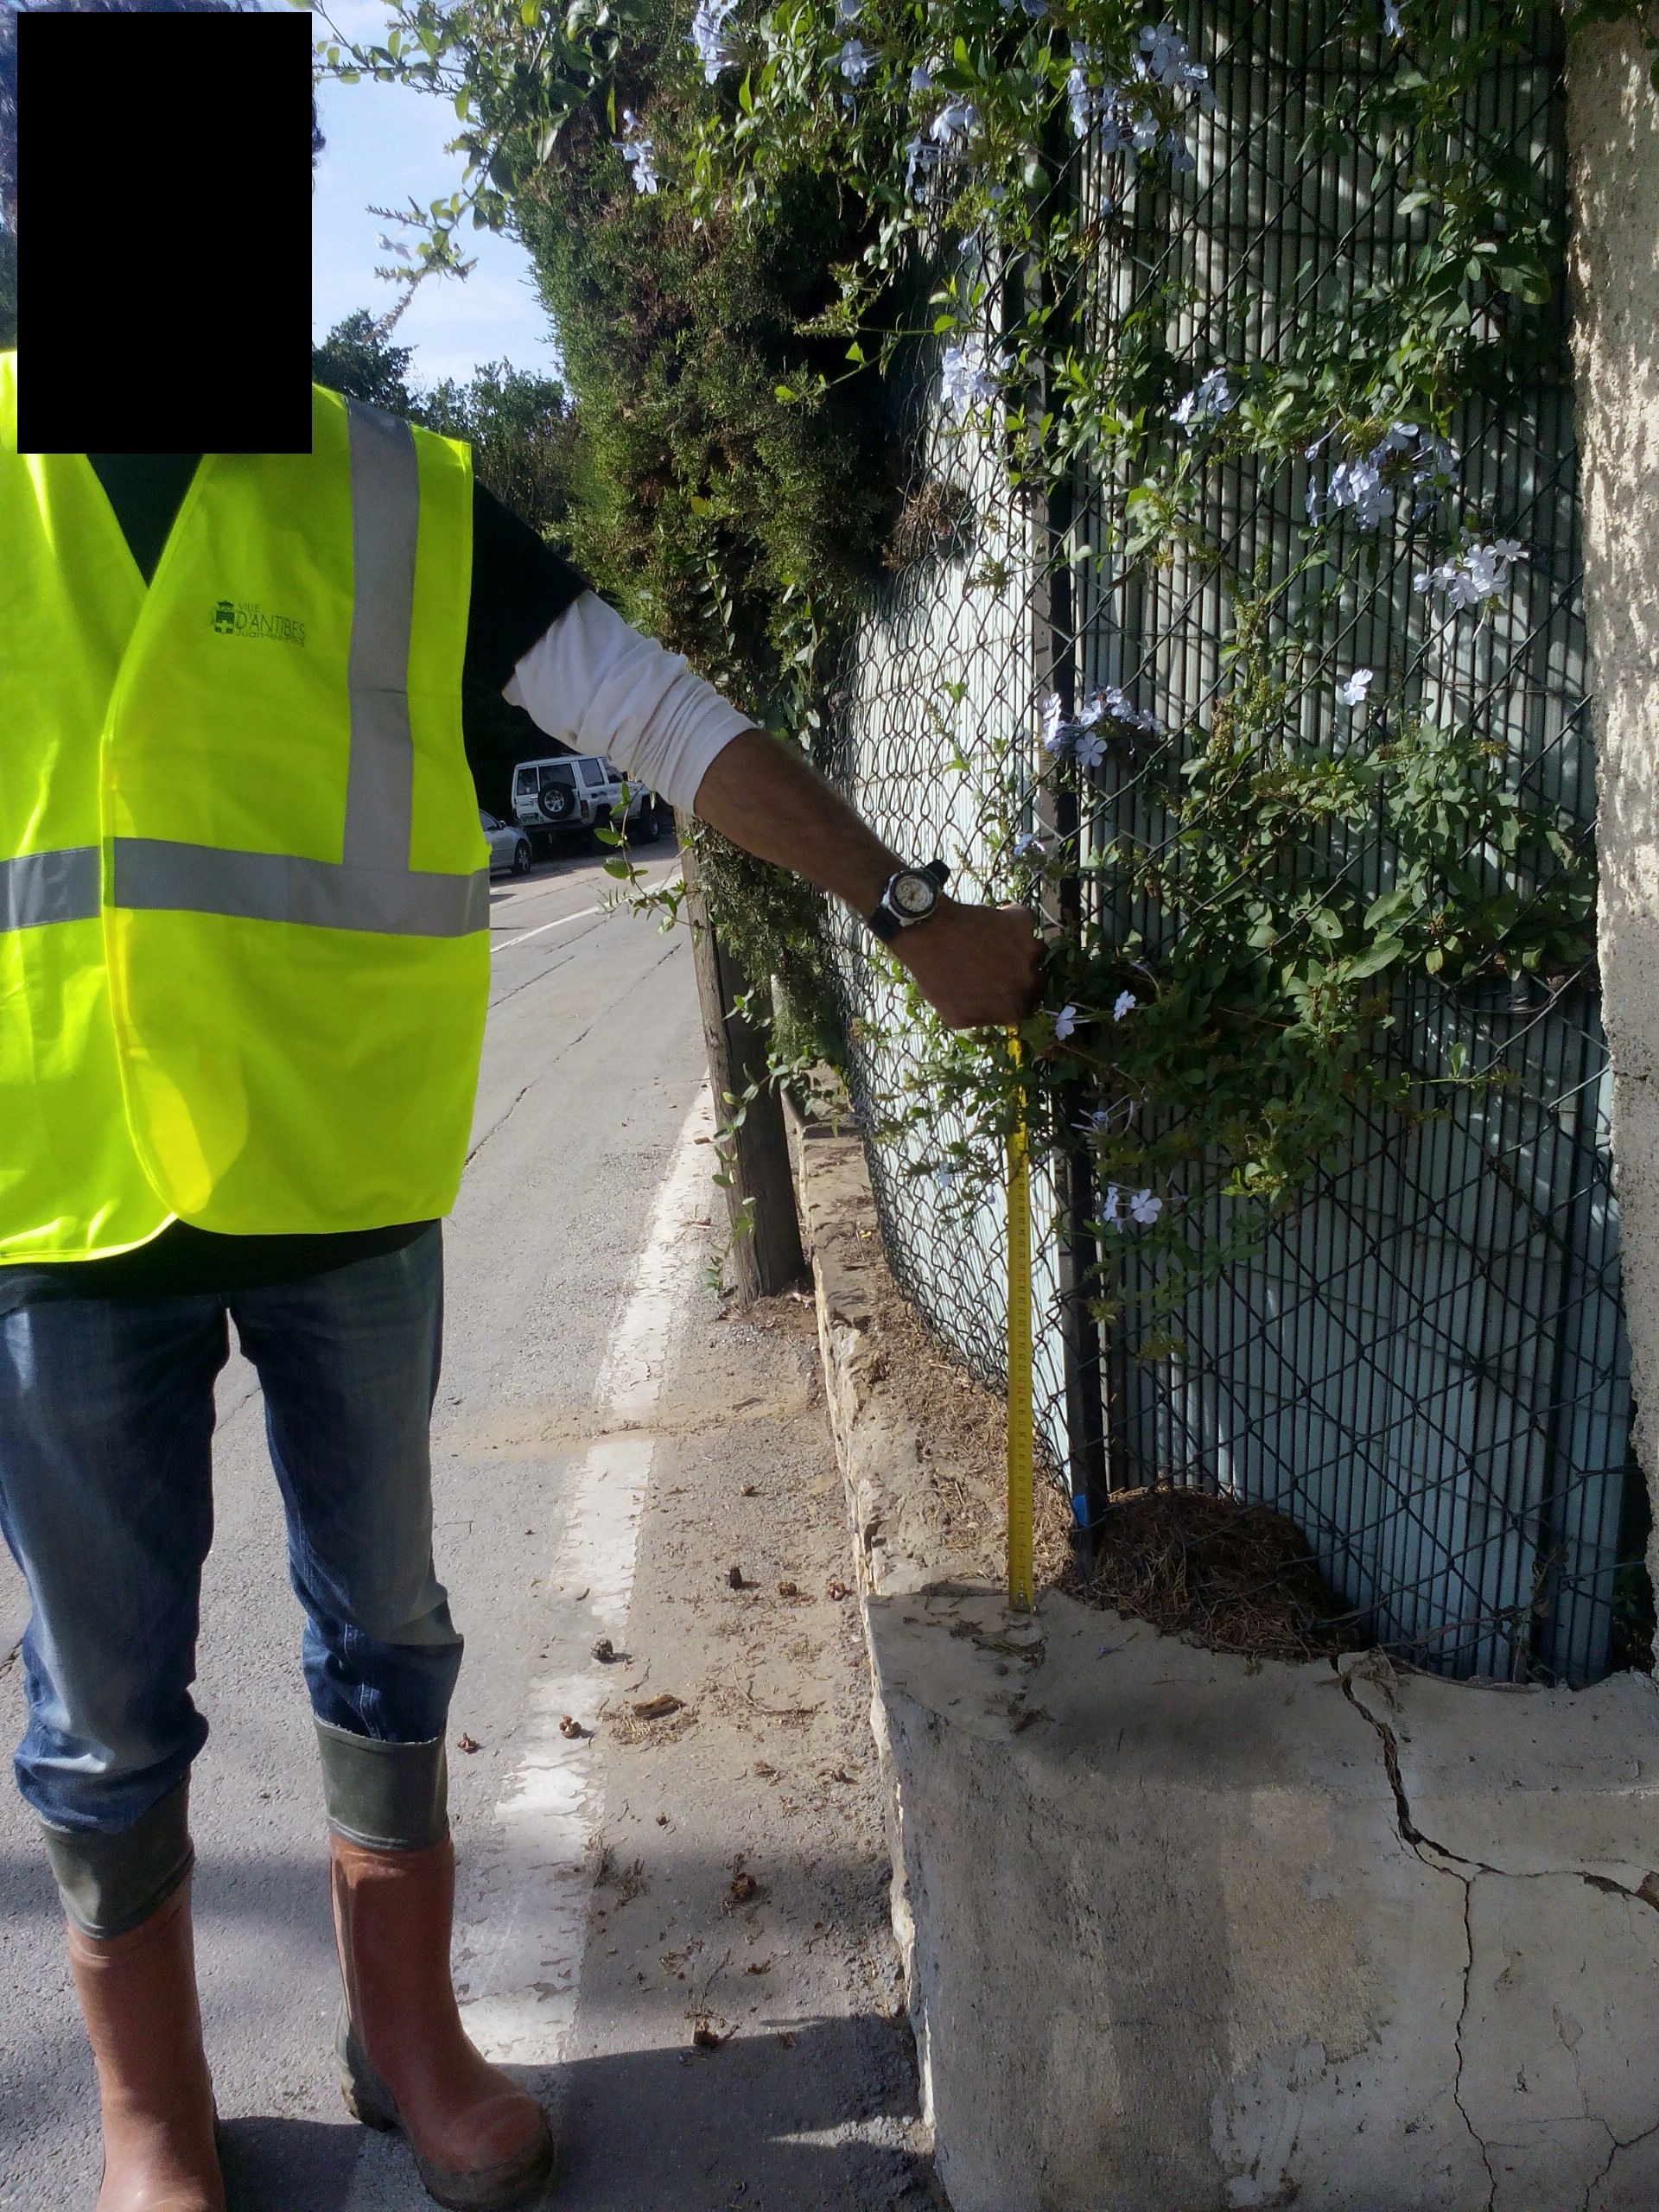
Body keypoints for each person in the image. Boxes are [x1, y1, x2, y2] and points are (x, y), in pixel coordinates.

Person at [0, 119, 1042, 2212]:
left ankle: (410, 2039)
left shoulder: (388, 488)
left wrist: (904, 898)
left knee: (386, 1632)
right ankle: (153, 2112)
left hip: (342, 1180)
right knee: (101, 1706)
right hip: (57, 1193)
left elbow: (650, 710)